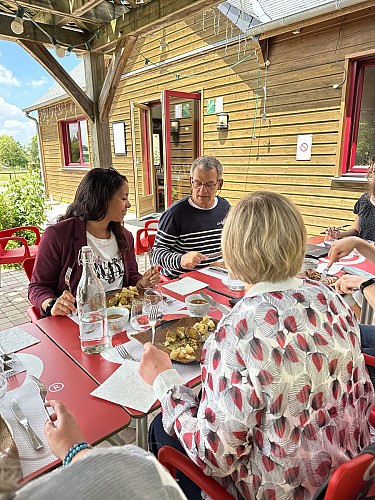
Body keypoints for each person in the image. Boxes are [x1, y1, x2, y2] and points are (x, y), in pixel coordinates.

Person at [139, 191, 374, 499]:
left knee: (161, 426)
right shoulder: (331, 299)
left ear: (233, 251)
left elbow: (214, 457)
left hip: (282, 488)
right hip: (348, 472)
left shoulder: (237, 330)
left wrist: (164, 380)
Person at [29, 167, 160, 317]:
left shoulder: (125, 236)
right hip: (79, 320)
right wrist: (51, 303)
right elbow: (38, 287)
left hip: (120, 317)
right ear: (103, 200)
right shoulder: (59, 235)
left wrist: (141, 283)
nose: (128, 204)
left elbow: (130, 276)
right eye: (123, 198)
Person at [9, 400, 186, 500]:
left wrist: (73, 450)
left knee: (159, 426)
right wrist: (75, 449)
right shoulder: (135, 465)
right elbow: (138, 470)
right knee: (160, 425)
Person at [151, 156, 230, 279]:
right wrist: (181, 260)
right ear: (190, 182)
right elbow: (156, 254)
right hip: (183, 281)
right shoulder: (175, 214)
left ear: (219, 184)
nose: (202, 190)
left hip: (216, 276)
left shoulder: (225, 207)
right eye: (198, 183)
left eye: (209, 185)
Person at [325, 155, 375, 241]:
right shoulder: (364, 200)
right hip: (361, 253)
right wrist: (339, 234)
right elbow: (356, 231)